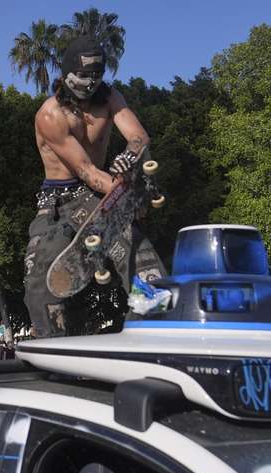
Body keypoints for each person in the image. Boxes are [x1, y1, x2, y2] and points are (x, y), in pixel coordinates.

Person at [23, 36, 165, 338]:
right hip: (58, 203)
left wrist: (129, 158)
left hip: (100, 193)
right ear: (65, 73)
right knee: (38, 284)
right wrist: (123, 195)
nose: (90, 83)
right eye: (83, 75)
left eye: (96, 75)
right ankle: (53, 348)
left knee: (140, 255)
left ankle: (153, 328)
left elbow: (139, 136)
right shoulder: (51, 114)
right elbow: (85, 170)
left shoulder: (111, 97)